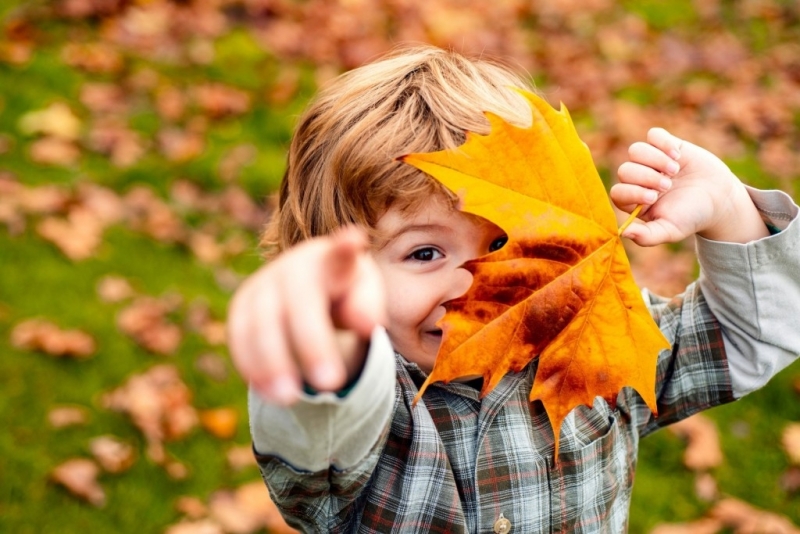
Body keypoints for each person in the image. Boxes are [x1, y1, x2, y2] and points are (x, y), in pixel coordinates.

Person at [227, 45, 800, 533]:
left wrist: (729, 209)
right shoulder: (373, 418)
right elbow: (317, 429)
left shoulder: (592, 341)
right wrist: (323, 344)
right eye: (425, 253)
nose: (473, 283)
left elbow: (748, 333)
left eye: (505, 244)